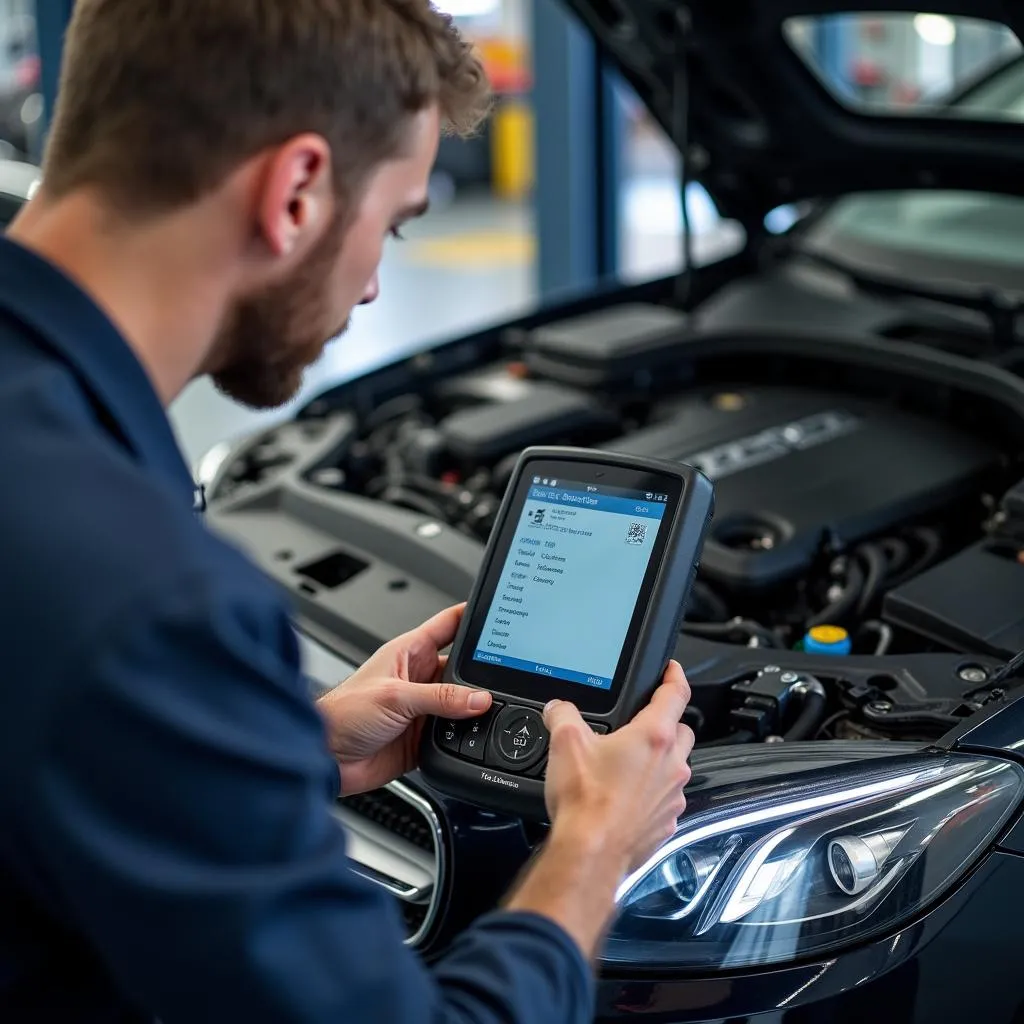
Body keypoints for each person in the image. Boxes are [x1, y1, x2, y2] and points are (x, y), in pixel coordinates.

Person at [0, 2, 696, 1021]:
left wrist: (273, 744)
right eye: (397, 220)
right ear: (296, 192)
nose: (375, 286)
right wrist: (593, 851)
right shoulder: (150, 601)